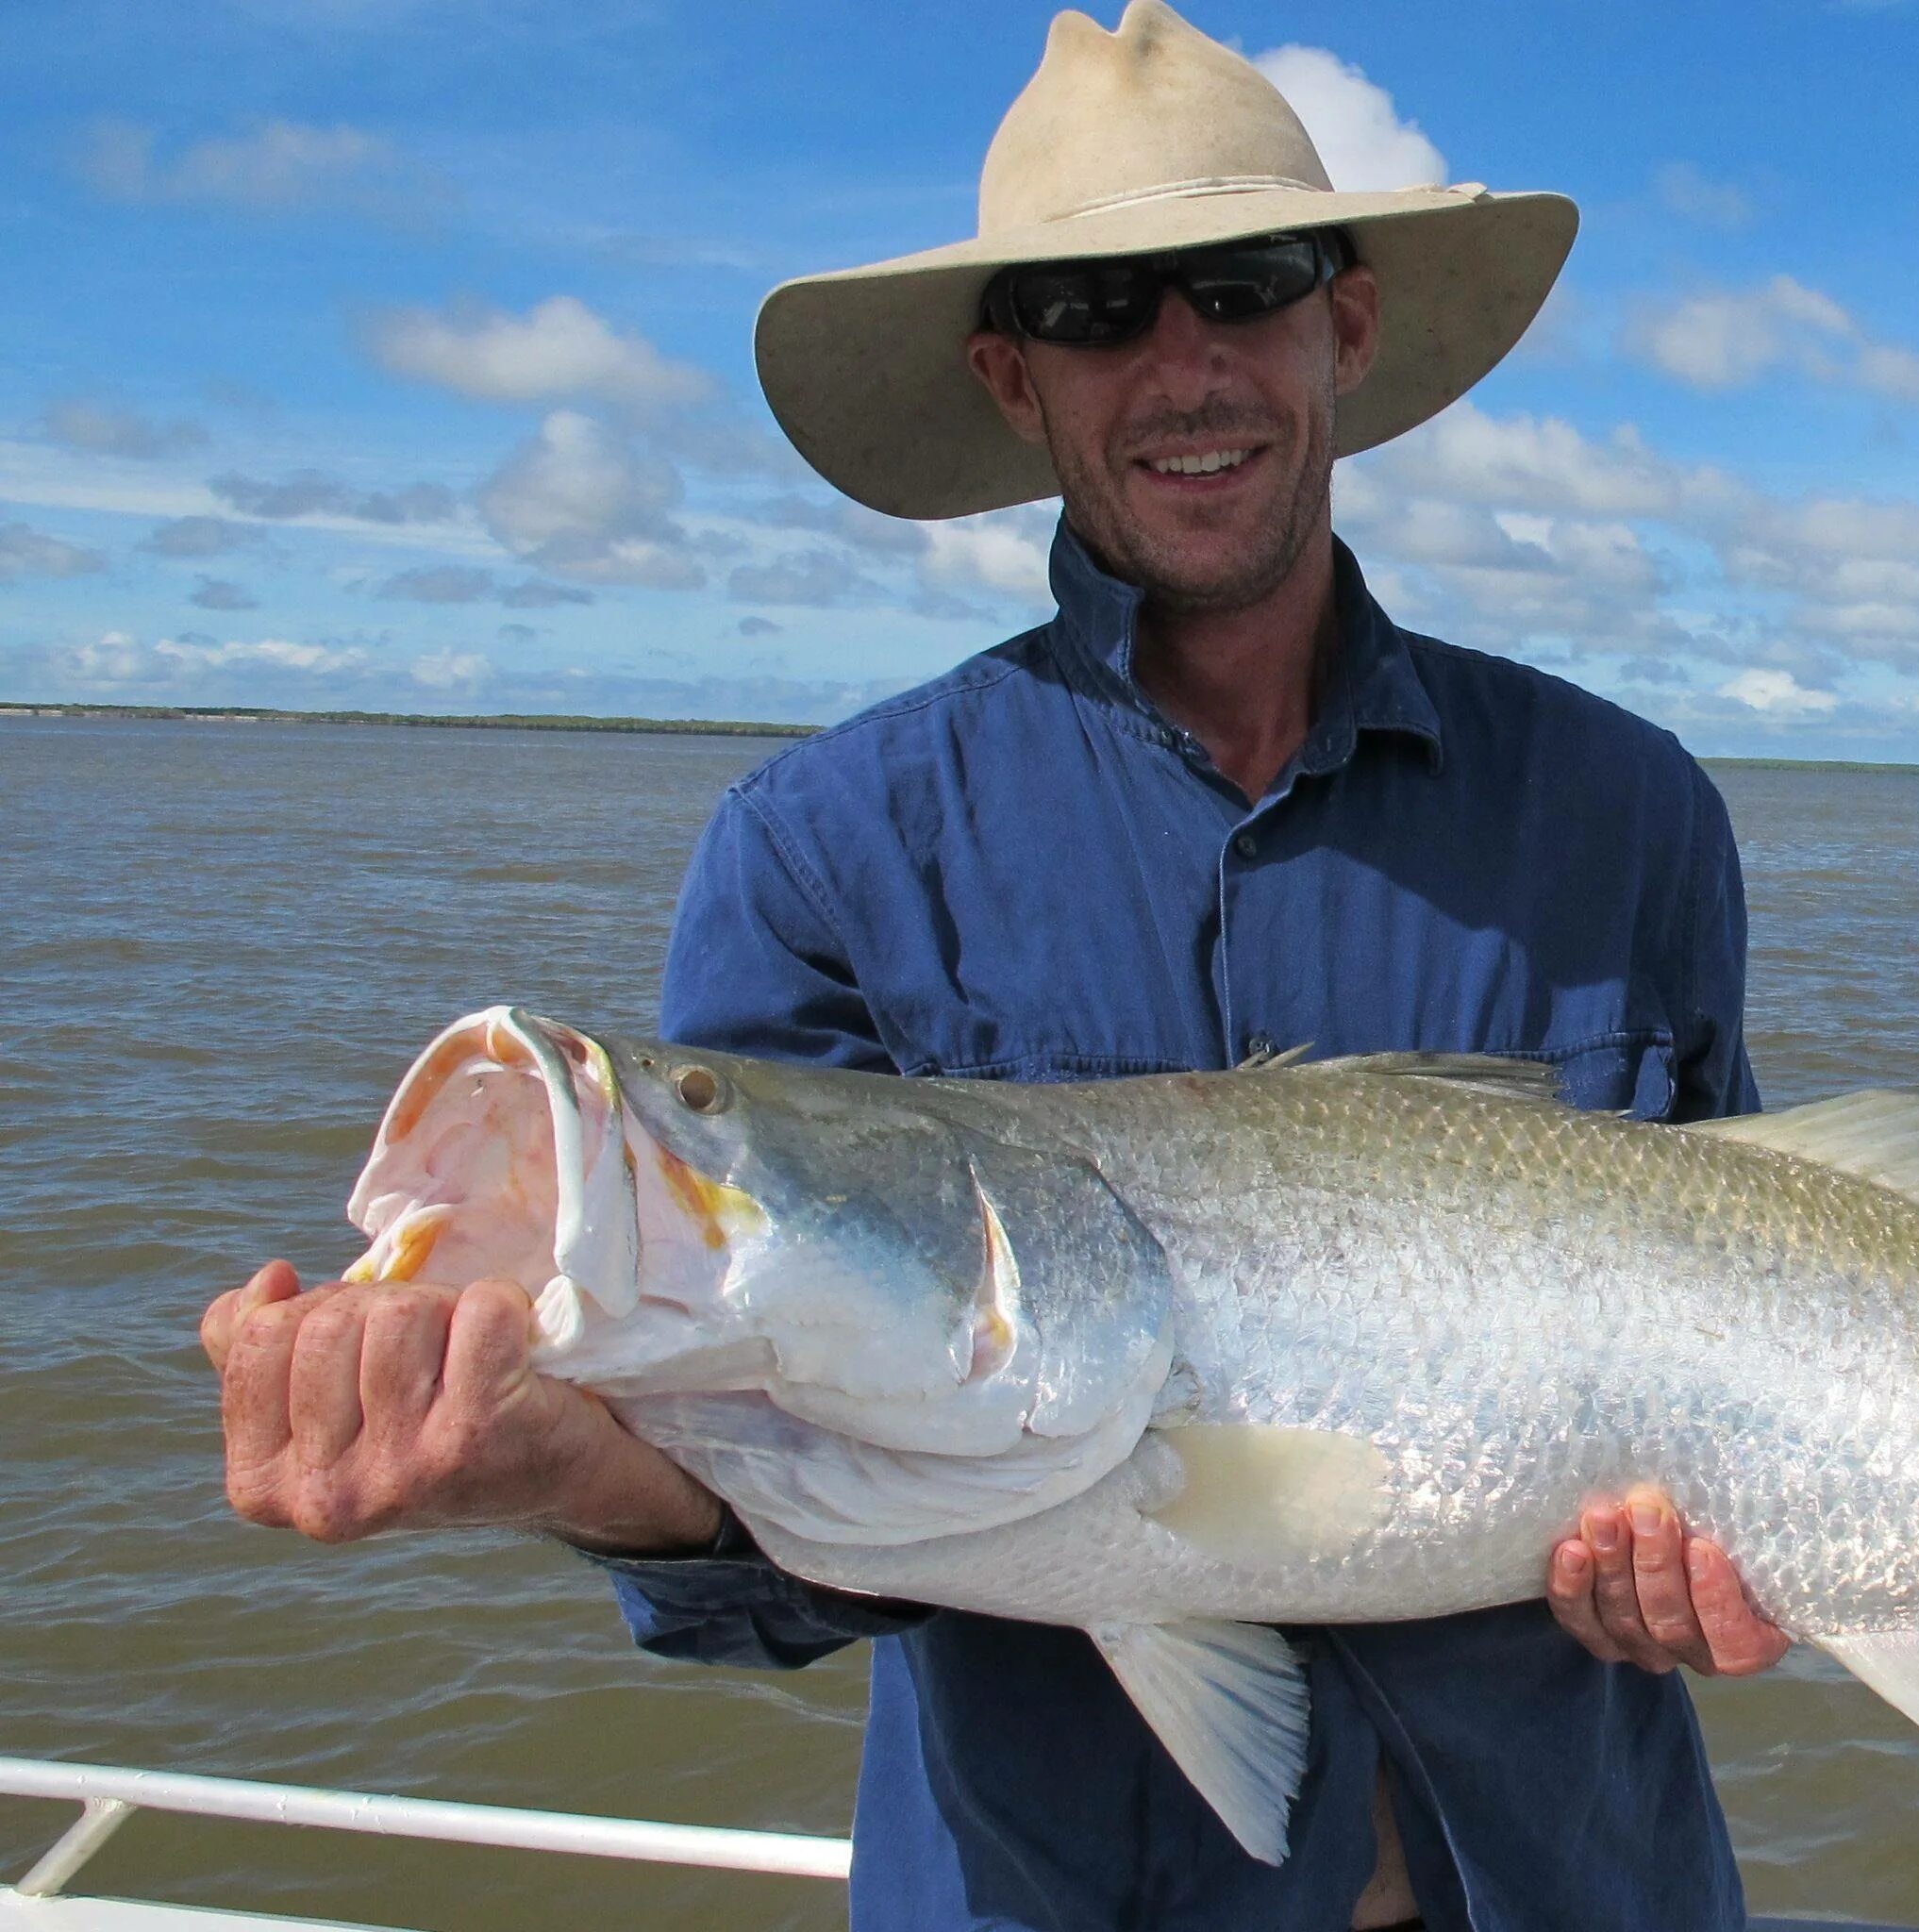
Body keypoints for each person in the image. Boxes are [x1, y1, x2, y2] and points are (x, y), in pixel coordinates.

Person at [200, 5, 1790, 1926]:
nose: (1182, 363)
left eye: (1243, 282)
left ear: (1343, 326)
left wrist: (1736, 1559)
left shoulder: (1624, 807)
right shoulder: (822, 848)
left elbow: (1766, 1307)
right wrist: (571, 1463)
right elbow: (794, 1534)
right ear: (1011, 377)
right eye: (1098, 309)